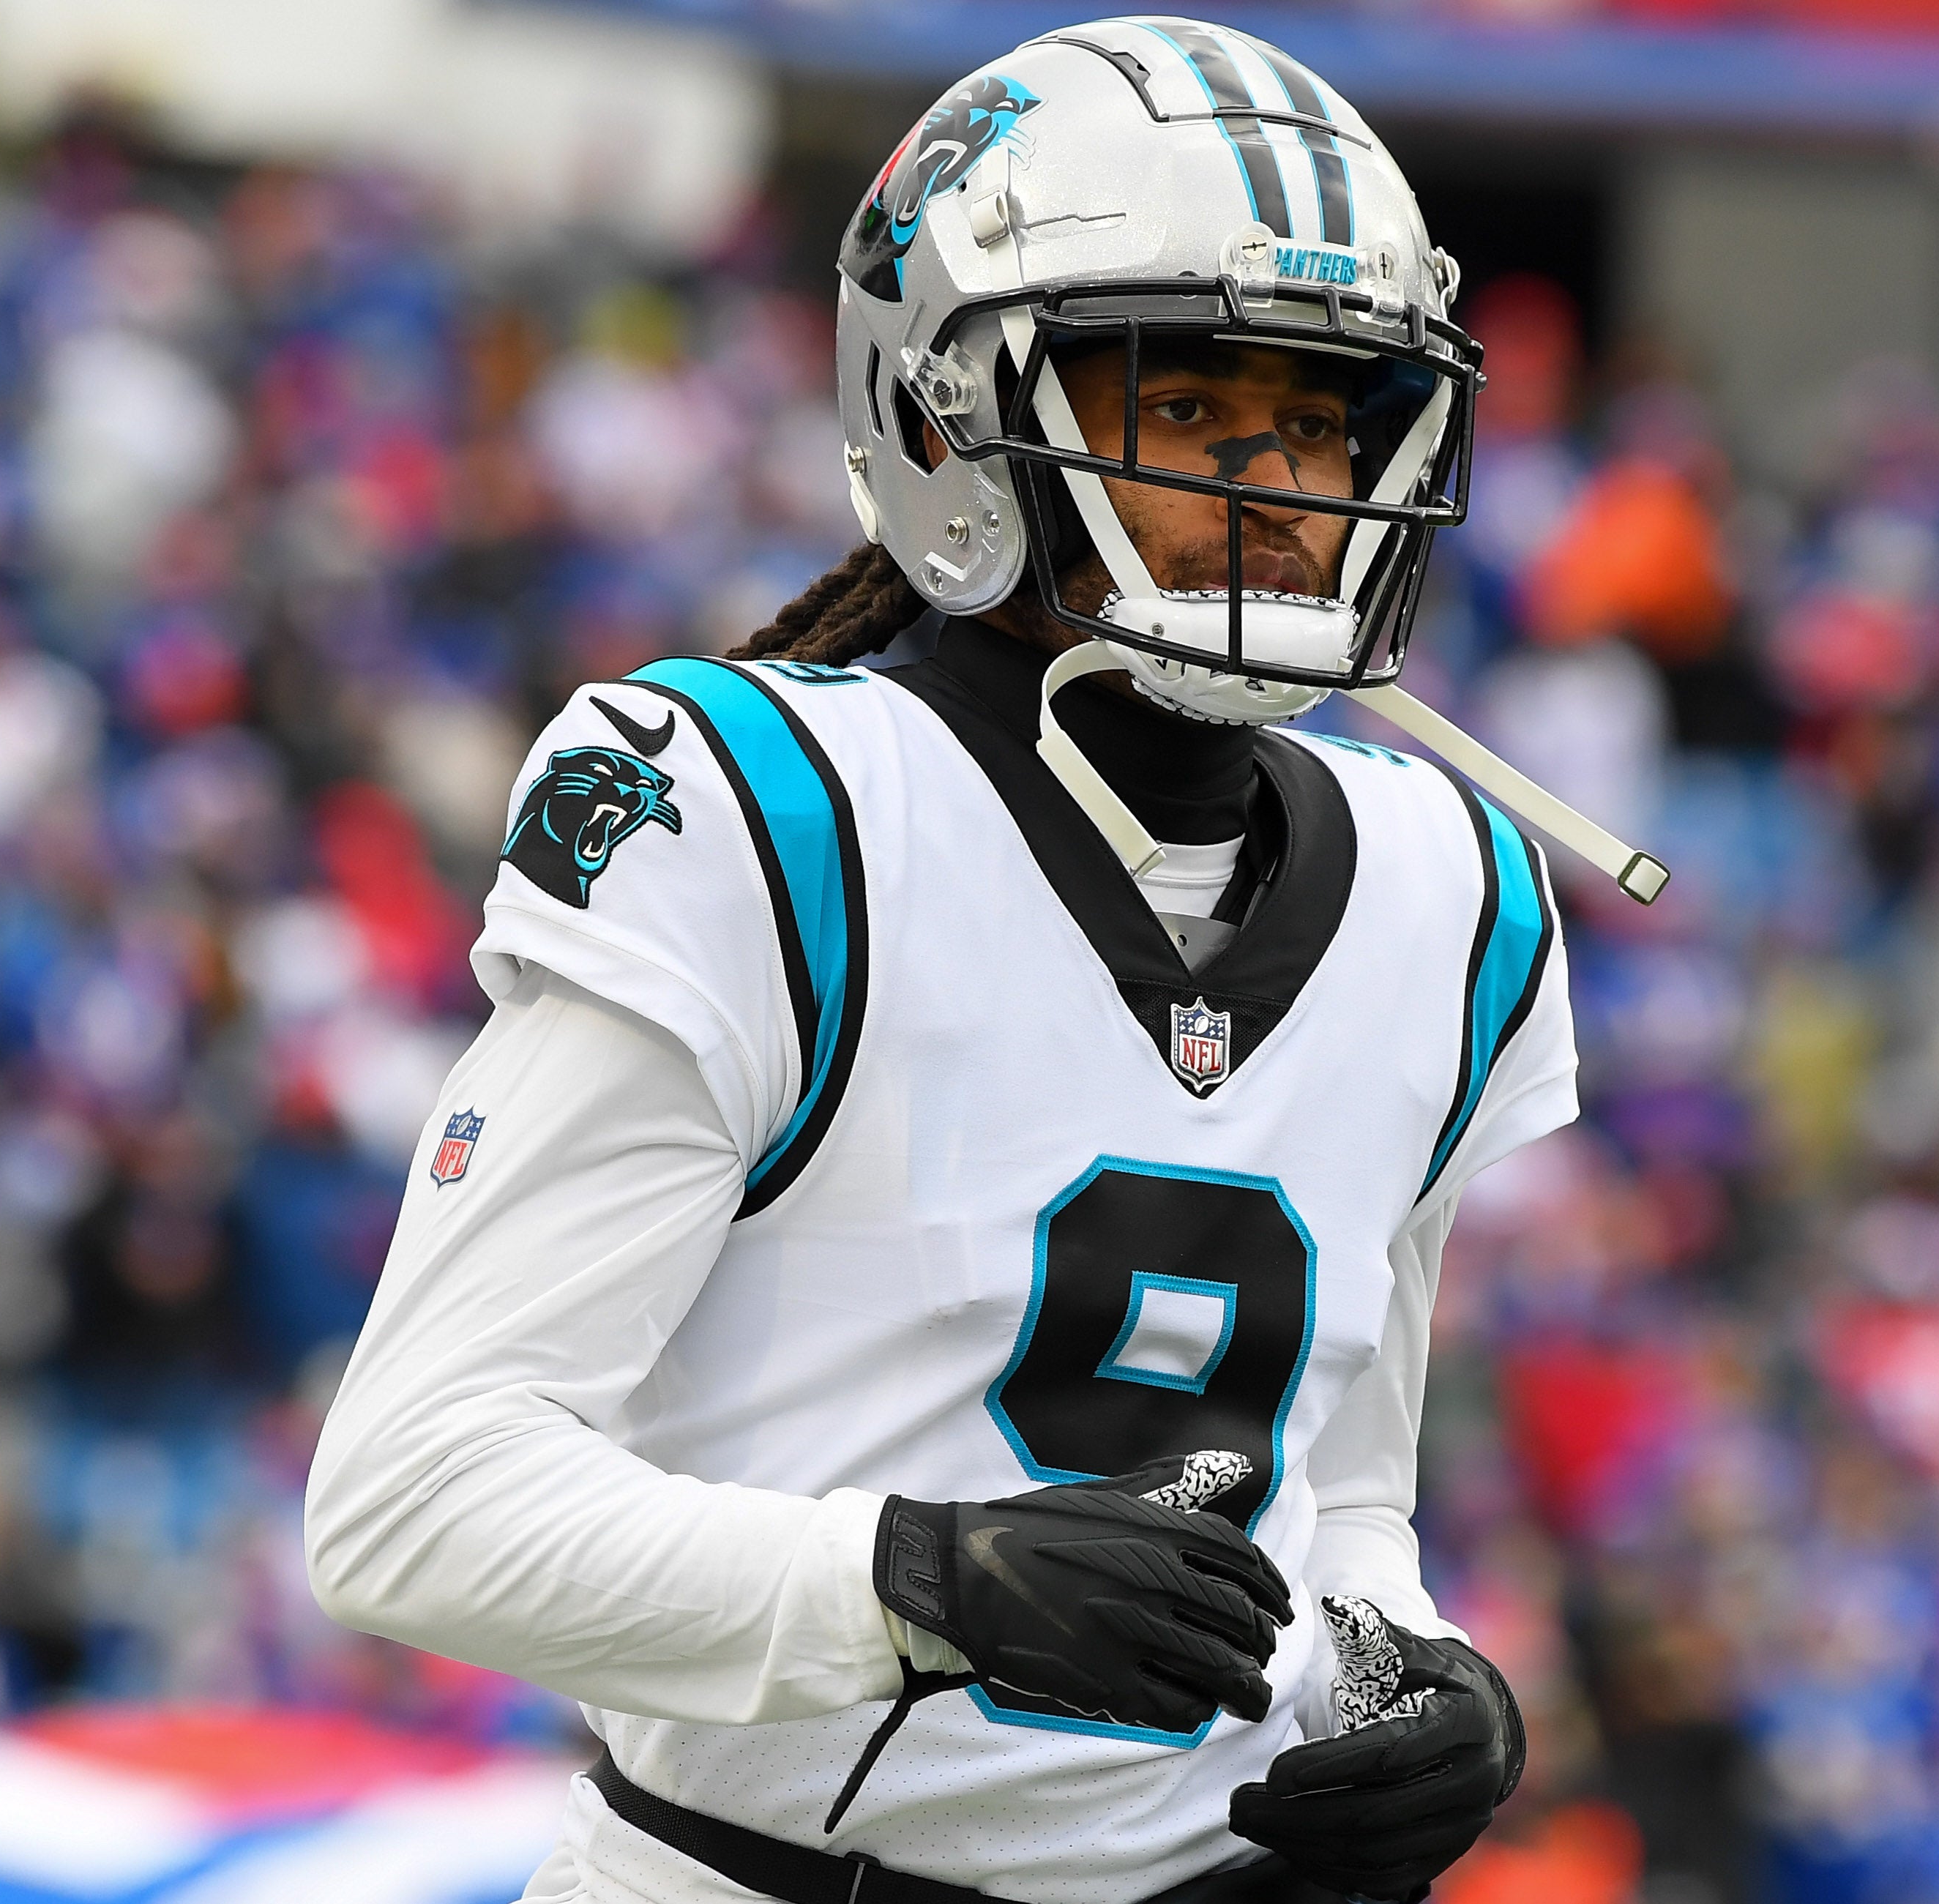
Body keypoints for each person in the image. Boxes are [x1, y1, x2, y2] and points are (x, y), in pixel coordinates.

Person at [307, 19, 1600, 1902]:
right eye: (1190, 409)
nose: (1285, 489)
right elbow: (412, 1499)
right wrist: (913, 1582)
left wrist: (1399, 1668)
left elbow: (1339, 1491)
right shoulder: (767, 809)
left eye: (1320, 418)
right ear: (946, 413)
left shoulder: (1450, 887)